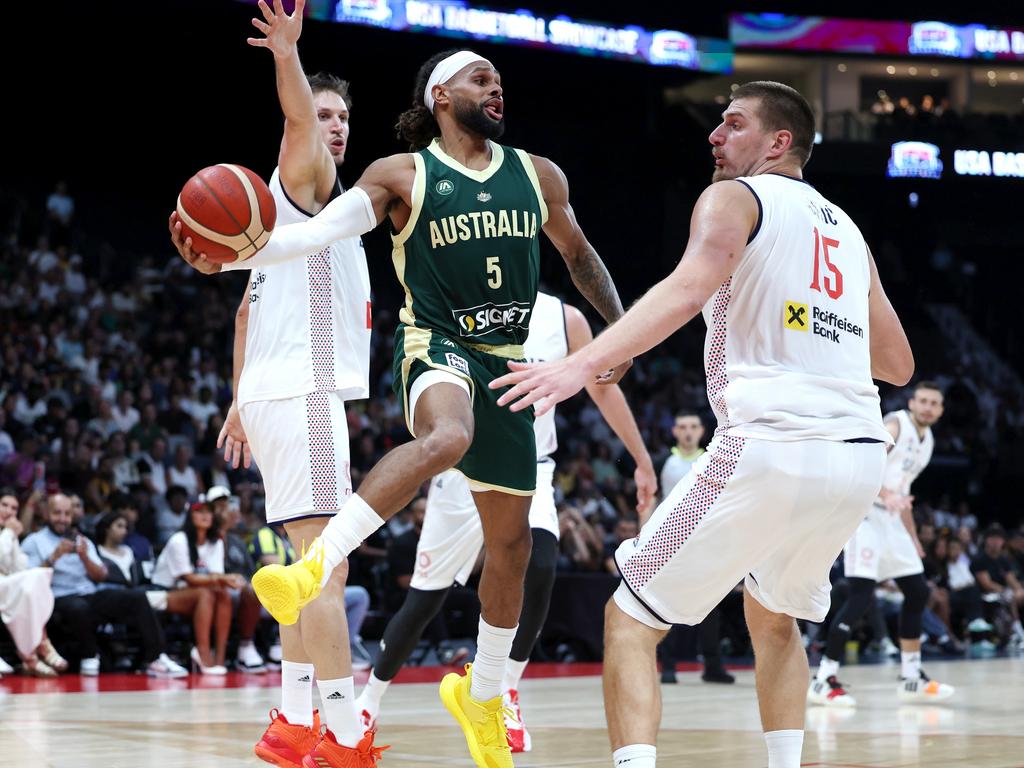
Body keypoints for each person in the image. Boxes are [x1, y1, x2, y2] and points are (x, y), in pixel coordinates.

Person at [175, 43, 628, 768]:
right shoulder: (398, 174)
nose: (498, 87)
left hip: (505, 363)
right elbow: (318, 229)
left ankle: (482, 693)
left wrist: (618, 329)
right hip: (434, 346)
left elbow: (578, 256)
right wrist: (229, 257)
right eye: (482, 78)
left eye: (500, 79)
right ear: (443, 96)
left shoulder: (538, 176)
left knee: (510, 553)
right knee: (447, 438)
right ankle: (325, 621)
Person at [490, 81, 914, 768]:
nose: (715, 136)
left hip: (771, 443)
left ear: (778, 143)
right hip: (857, 460)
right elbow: (896, 362)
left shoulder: (735, 197)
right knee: (776, 619)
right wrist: (810, 319)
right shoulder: (848, 231)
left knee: (629, 618)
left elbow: (688, 287)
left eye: (733, 124)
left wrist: (584, 362)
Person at [171, 1, 376, 764]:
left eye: (344, 116)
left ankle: (292, 722)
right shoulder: (304, 182)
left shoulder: (265, 221)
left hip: (270, 394)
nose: (335, 126)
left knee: (300, 567)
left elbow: (244, 316)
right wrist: (288, 57)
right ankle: (345, 734)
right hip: (305, 393)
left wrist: (235, 400)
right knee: (327, 563)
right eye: (326, 113)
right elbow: (295, 124)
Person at [354, 292, 656, 754]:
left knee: (541, 563)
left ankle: (503, 691)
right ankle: (368, 702)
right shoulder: (463, 298)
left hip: (530, 465)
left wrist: (640, 459)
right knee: (423, 602)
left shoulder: (565, 318)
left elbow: (603, 387)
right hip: (462, 472)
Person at [809, 381, 953, 706]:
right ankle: (823, 679)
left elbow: (903, 497)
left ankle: (911, 677)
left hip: (891, 521)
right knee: (861, 595)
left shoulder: (927, 440)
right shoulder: (895, 425)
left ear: (940, 410)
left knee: (918, 591)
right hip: (865, 516)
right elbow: (862, 467)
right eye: (924, 401)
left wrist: (914, 538)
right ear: (912, 402)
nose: (928, 407)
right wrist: (886, 495)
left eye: (935, 403)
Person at [22, 493, 183, 678]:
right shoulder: (34, 541)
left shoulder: (83, 540)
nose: (63, 519)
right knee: (78, 607)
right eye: (57, 513)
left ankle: (156, 658)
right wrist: (53, 557)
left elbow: (100, 576)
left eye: (67, 514)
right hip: (57, 597)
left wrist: (84, 558)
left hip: (90, 593)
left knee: (137, 597)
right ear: (46, 514)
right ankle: (90, 656)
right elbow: (29, 579)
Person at [655, 411, 735, 686]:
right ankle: (667, 666)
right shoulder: (663, 462)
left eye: (692, 426)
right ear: (674, 431)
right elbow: (650, 498)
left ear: (702, 430)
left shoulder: (715, 459)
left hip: (706, 540)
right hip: (669, 539)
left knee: (710, 605)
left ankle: (712, 666)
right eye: (682, 427)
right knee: (664, 603)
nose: (687, 431)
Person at [150, 502, 237, 675]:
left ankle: (219, 658)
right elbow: (189, 579)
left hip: (198, 593)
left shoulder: (215, 542)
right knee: (205, 594)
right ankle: (203, 654)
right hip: (164, 592)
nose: (205, 516)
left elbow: (215, 577)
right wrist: (223, 578)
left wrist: (224, 580)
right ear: (190, 516)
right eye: (199, 512)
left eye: (209, 512)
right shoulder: (179, 540)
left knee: (223, 594)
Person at [0, 489, 64, 677]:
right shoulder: (7, 532)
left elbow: (19, 568)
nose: (9, 511)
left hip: (5, 586)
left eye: (14, 508)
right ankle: (37, 649)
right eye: (4, 505)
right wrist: (10, 532)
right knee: (32, 583)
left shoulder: (7, 534)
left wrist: (11, 537)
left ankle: (31, 654)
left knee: (35, 580)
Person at [972, 524, 1024, 649]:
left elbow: (1011, 580)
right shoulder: (980, 559)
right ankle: (1018, 633)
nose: (995, 542)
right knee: (1009, 596)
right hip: (984, 596)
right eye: (992, 538)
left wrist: (1019, 590)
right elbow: (987, 584)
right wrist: (1009, 590)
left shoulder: (1003, 559)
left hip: (1003, 593)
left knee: (1017, 594)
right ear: (986, 540)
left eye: (999, 539)